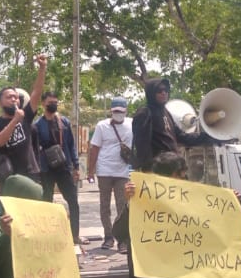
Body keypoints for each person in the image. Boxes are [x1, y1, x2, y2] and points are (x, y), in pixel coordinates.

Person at [0, 55, 47, 185]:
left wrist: (42, 68)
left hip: (31, 175)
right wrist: (15, 120)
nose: (14, 99)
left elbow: (37, 93)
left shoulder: (26, 115)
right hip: (9, 178)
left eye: (16, 97)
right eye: (9, 97)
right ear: (0, 103)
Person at [131, 78, 210, 172]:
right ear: (151, 93)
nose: (164, 93)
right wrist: (149, 170)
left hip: (173, 166)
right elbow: (142, 146)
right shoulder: (145, 113)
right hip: (157, 169)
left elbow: (181, 136)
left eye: (166, 90)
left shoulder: (166, 112)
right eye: (159, 90)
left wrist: (208, 137)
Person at [35, 91, 82, 245]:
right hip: (46, 169)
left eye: (55, 102)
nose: (53, 105)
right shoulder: (37, 125)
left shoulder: (64, 122)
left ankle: (75, 235)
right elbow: (34, 149)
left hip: (63, 167)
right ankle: (47, 236)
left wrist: (76, 165)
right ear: (43, 103)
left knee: (73, 201)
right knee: (46, 203)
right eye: (50, 102)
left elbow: (71, 145)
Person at [87, 96, 132, 251]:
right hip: (104, 171)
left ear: (126, 110)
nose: (118, 114)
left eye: (121, 111)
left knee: (123, 206)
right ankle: (108, 236)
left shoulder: (132, 124)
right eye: (115, 111)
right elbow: (94, 149)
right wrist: (90, 171)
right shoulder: (102, 126)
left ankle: (122, 239)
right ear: (111, 111)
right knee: (104, 205)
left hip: (123, 172)